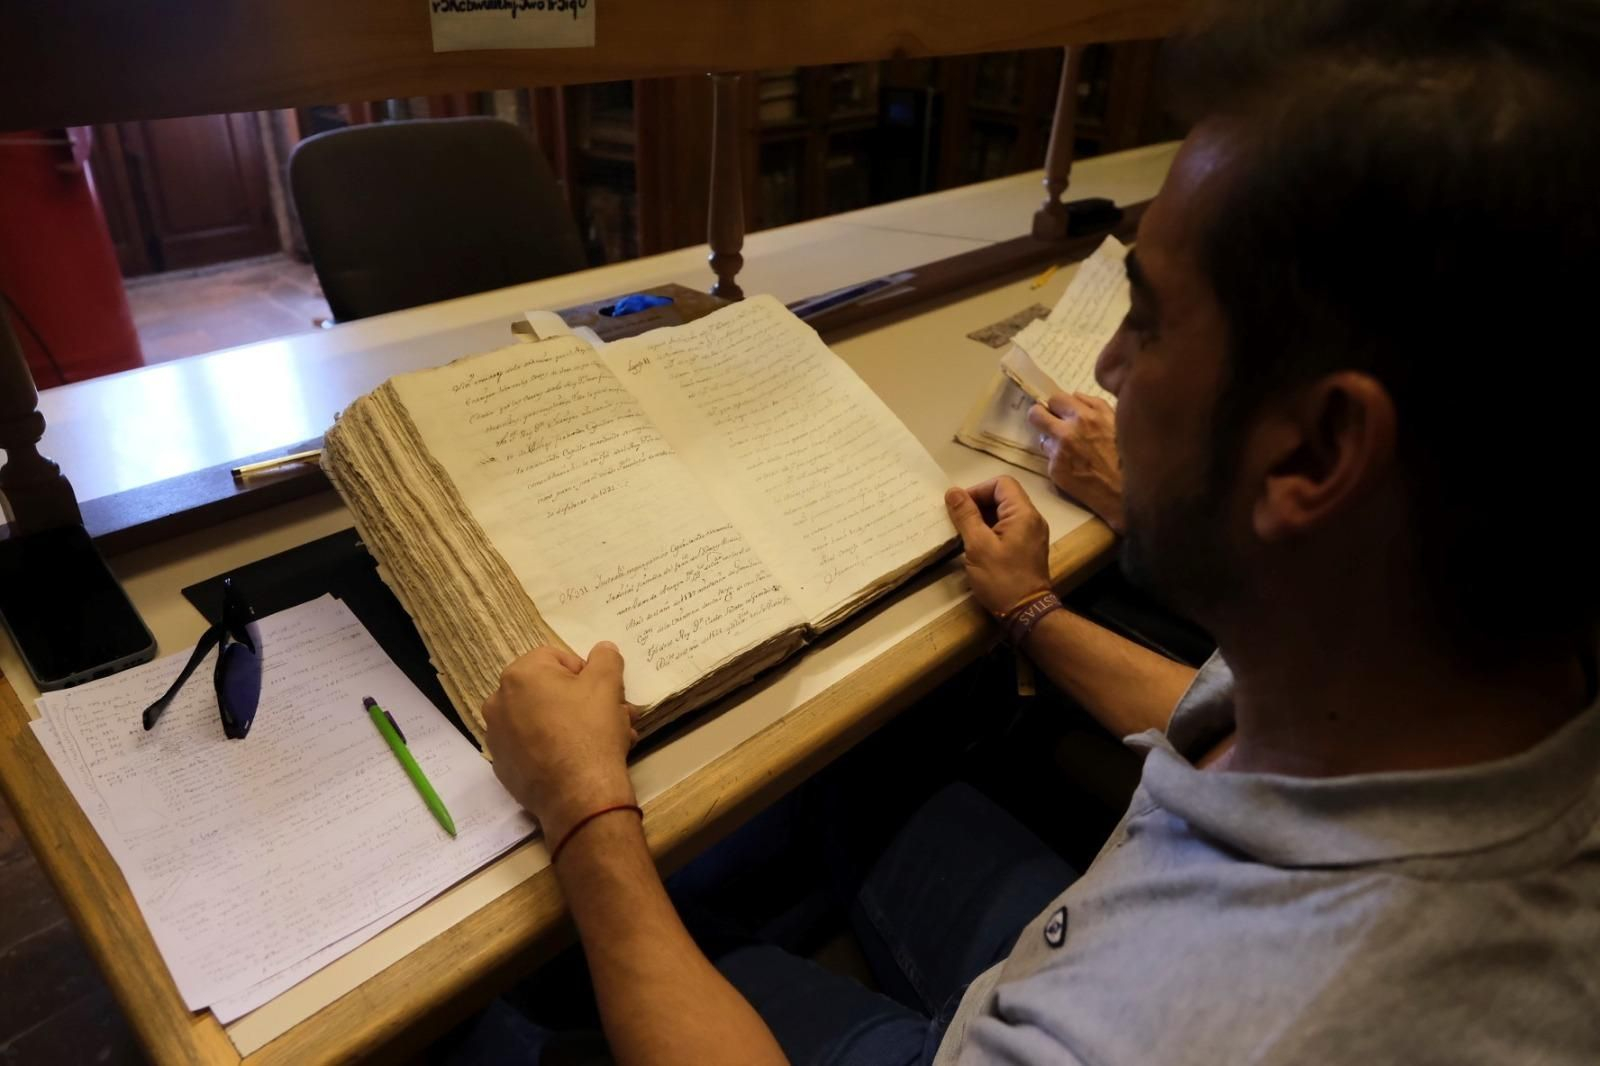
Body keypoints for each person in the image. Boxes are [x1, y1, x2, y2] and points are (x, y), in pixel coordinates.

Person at [476, 0, 1600, 1061]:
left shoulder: (1235, 1027)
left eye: (1146, 320)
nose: (1107, 367)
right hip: (1083, 937)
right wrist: (1030, 610)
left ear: (1313, 455)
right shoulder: (1430, 684)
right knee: (867, 760)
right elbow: (1215, 715)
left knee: (517, 985)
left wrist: (585, 815)